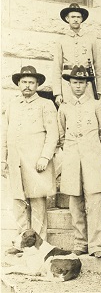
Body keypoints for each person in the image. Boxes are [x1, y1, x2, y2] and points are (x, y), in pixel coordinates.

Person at [57, 65, 101, 258]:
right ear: (69, 84)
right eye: (74, 82)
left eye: (81, 82)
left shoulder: (97, 105)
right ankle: (80, 243)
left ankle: (96, 245)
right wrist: (71, 150)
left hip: (93, 160)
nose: (78, 86)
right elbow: (61, 134)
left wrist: (97, 151)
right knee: (75, 203)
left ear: (87, 84)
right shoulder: (64, 107)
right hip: (72, 160)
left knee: (94, 203)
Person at [2, 66, 58, 241]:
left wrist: (45, 157)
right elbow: (4, 133)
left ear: (37, 84)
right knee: (18, 201)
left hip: (36, 162)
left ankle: (38, 243)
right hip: (15, 161)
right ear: (19, 84)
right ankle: (21, 241)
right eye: (24, 82)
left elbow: (53, 133)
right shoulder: (12, 105)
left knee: (37, 202)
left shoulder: (46, 105)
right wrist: (3, 160)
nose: (27, 85)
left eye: (31, 82)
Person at [53, 3, 101, 105]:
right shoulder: (61, 40)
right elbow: (56, 68)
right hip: (68, 84)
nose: (75, 20)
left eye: (78, 17)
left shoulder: (91, 39)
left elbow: (98, 65)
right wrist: (58, 93)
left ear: (82, 19)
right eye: (73, 17)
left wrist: (100, 90)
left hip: (87, 83)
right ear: (67, 18)